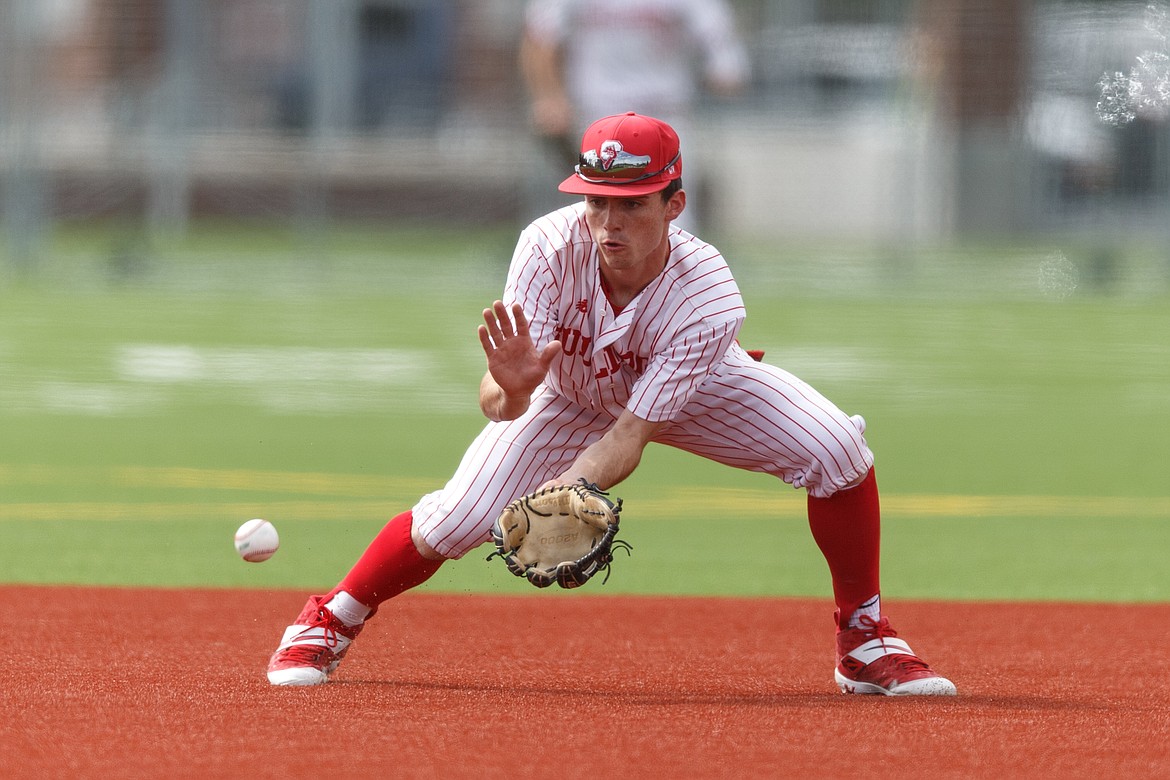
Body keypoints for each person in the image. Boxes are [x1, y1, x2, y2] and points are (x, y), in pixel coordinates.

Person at [266, 112, 957, 697]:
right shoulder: (545, 246)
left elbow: (630, 435)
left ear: (674, 205)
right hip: (567, 394)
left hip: (691, 388)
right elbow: (499, 404)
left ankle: (863, 640)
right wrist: (508, 385)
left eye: (632, 202)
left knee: (836, 448)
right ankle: (331, 616)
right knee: (458, 519)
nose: (608, 220)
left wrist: (570, 488)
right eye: (597, 200)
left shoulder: (706, 293)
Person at [519, 0, 749, 232]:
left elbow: (721, 48)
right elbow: (539, 39)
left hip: (664, 117)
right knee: (597, 216)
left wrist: (724, 68)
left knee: (672, 217)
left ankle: (670, 267)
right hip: (598, 117)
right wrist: (549, 98)